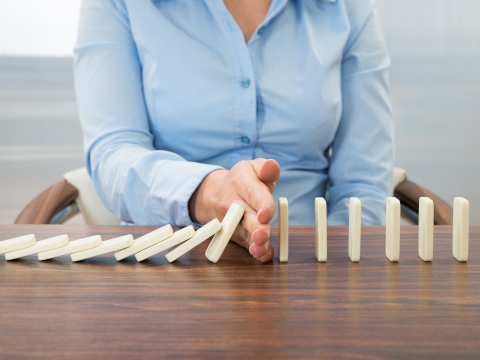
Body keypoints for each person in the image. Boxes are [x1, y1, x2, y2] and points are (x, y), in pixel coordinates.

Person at [74, 0, 394, 263]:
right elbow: (113, 152)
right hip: (169, 261)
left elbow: (364, 183)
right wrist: (209, 193)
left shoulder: (350, 9)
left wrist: (329, 263)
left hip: (309, 265)